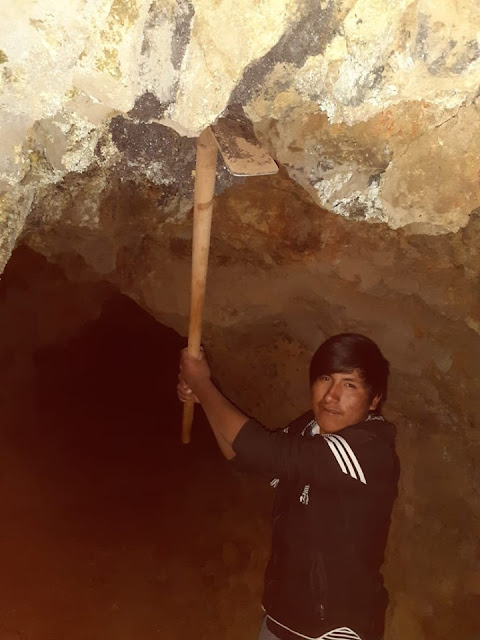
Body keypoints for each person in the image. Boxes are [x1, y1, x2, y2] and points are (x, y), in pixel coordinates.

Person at [177, 333, 399, 640]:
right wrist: (205, 401)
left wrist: (203, 384)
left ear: (374, 400)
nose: (331, 396)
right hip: (282, 615)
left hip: (334, 628)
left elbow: (267, 450)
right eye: (325, 378)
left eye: (350, 385)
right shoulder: (309, 428)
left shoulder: (370, 450)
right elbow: (243, 457)